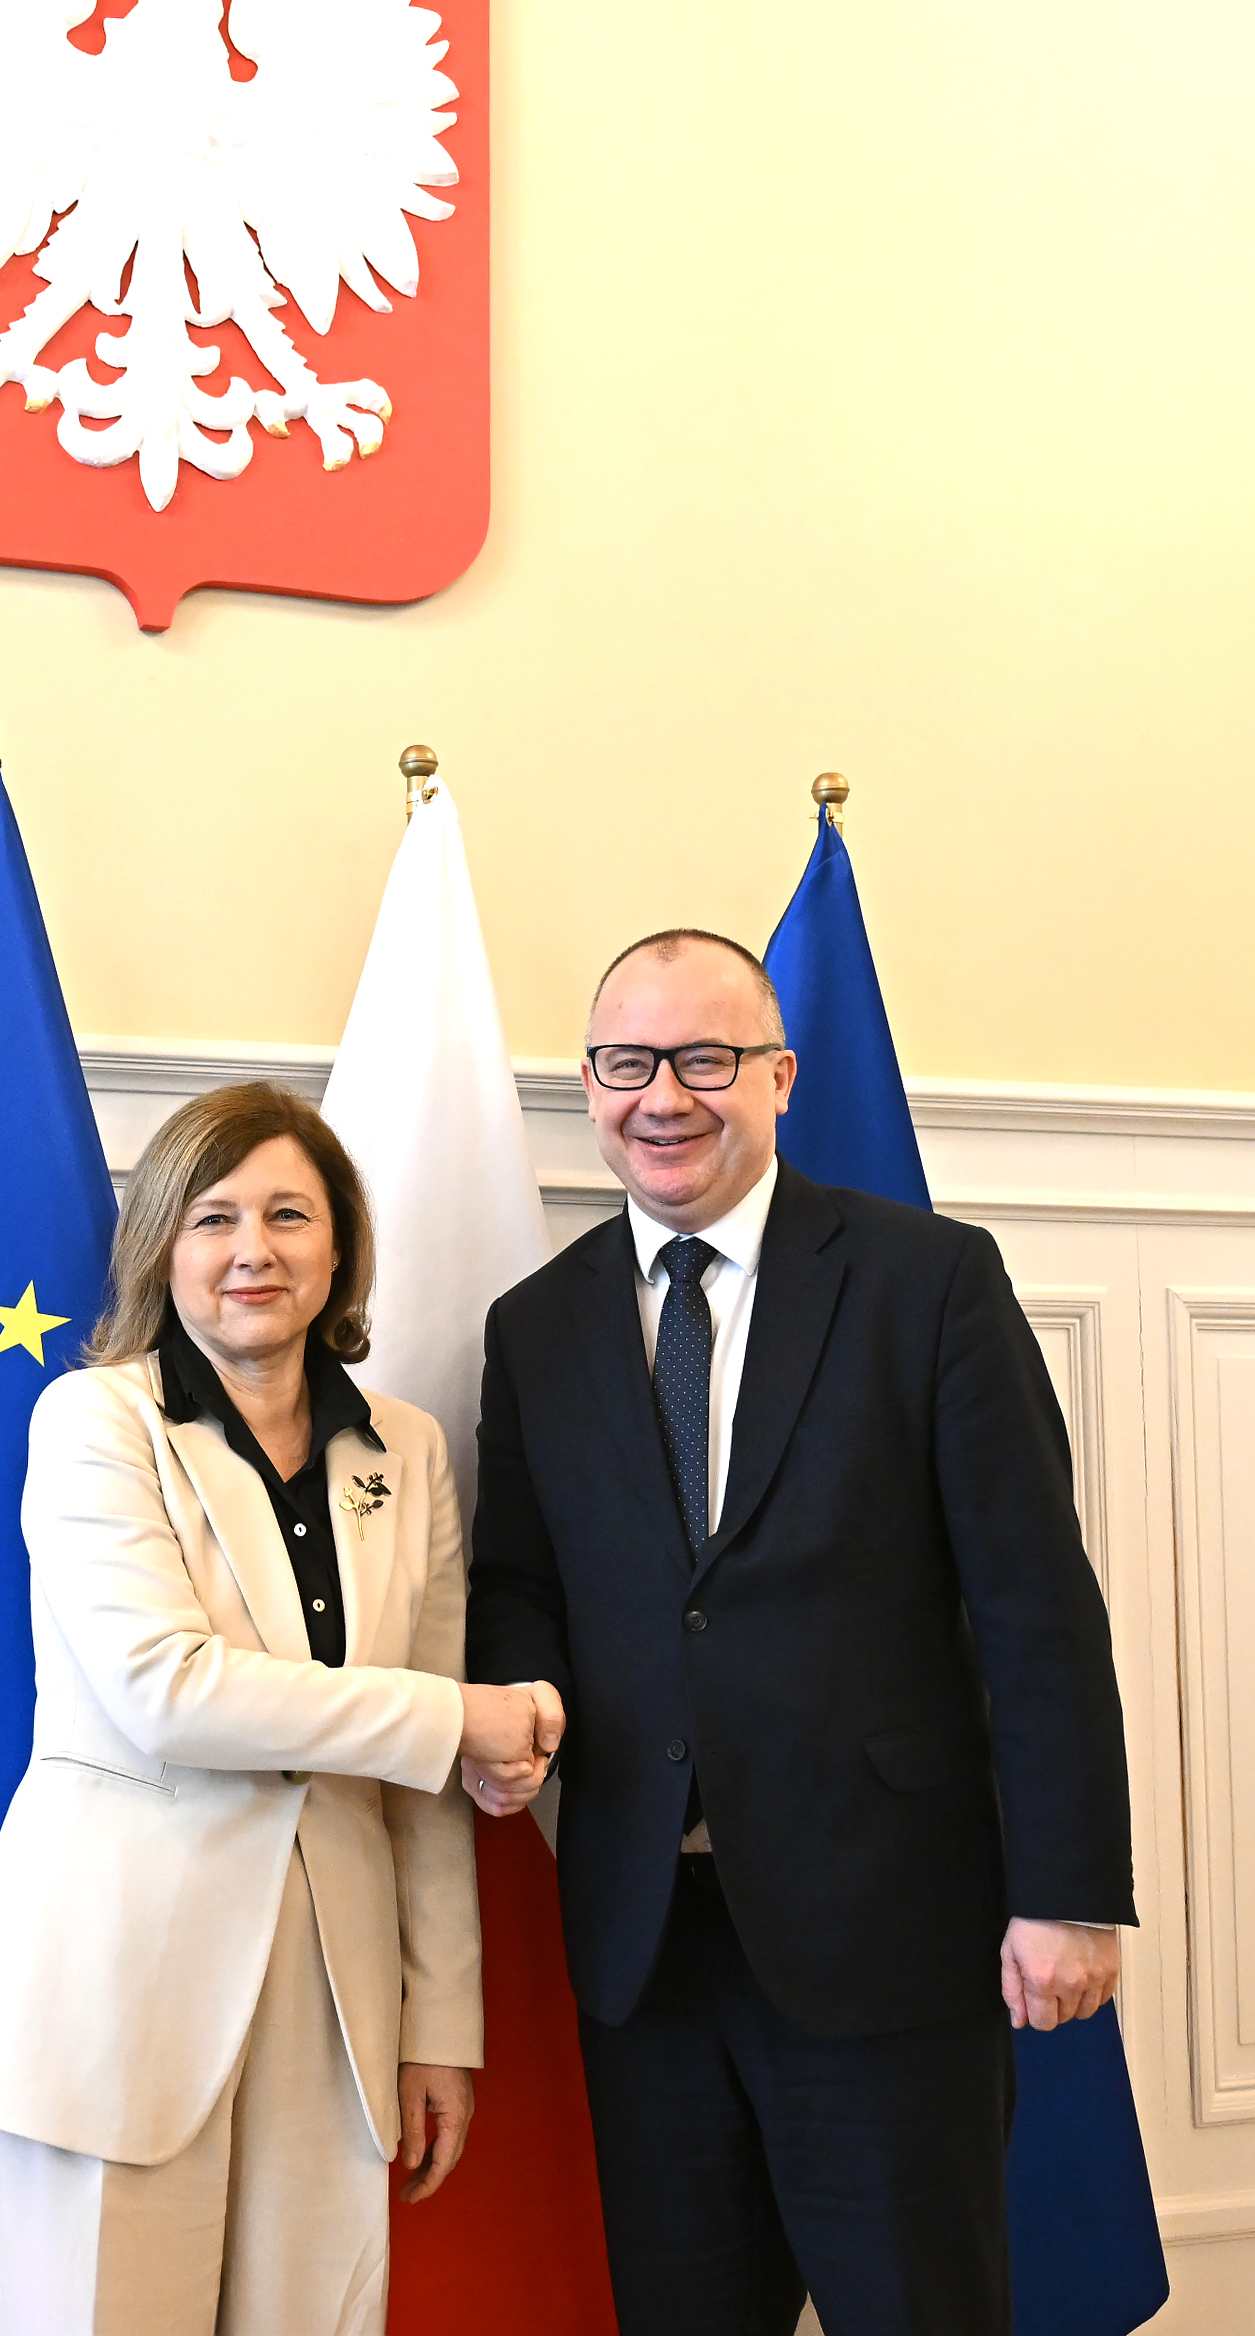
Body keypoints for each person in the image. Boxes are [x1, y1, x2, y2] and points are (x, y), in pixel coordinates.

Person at [463, 929, 1133, 2336]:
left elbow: (1032, 1600)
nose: (663, 1095)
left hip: (887, 1938)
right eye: (628, 1062)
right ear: (587, 1085)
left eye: (704, 1058)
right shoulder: (534, 1325)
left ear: (777, 1075)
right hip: (645, 1951)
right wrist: (516, 1698)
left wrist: (1065, 1889)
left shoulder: (924, 1279)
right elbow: (520, 1576)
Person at [0, 1081, 560, 2336]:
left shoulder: (406, 1447)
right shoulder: (94, 1419)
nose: (251, 1248)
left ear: (340, 1245)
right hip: (112, 2000)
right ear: (162, 1246)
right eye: (212, 1217)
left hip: (333, 2014)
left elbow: (423, 1789)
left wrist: (438, 2023)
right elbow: (166, 1689)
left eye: (287, 1214)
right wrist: (455, 1717)